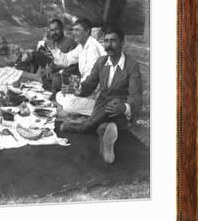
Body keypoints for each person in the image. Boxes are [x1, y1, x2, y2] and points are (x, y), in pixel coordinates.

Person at [60, 27, 143, 164]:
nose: (108, 45)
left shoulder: (132, 66)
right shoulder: (101, 62)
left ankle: (80, 127)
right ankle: (105, 139)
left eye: (113, 41)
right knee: (102, 124)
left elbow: (136, 96)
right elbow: (89, 86)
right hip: (102, 105)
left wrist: (125, 107)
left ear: (123, 43)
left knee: (113, 104)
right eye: (106, 41)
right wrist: (77, 88)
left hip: (119, 108)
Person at [51, 18, 106, 116]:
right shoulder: (81, 46)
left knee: (68, 106)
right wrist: (53, 51)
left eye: (77, 30)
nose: (74, 33)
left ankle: (99, 109)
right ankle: (80, 108)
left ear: (87, 31)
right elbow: (66, 59)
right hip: (84, 90)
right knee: (59, 95)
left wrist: (75, 89)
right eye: (73, 30)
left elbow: (92, 83)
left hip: (94, 94)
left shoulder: (93, 49)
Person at [34, 18, 78, 91]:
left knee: (56, 80)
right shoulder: (53, 43)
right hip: (54, 75)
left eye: (56, 29)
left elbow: (71, 66)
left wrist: (54, 69)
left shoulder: (70, 43)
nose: (54, 32)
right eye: (52, 30)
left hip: (67, 76)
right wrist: (48, 68)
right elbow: (51, 60)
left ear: (62, 29)